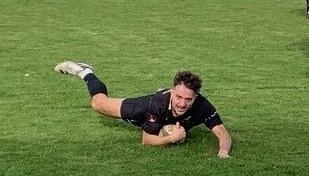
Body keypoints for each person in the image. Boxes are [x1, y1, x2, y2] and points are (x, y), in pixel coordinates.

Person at [54, 61, 232, 158]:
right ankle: (85, 71)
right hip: (142, 110)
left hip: (164, 116)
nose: (182, 104)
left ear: (195, 97)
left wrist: (223, 152)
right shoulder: (157, 104)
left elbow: (223, 133)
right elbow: (146, 140)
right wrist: (172, 137)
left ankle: (167, 126)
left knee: (168, 128)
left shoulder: (202, 106)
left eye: (188, 99)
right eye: (178, 97)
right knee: (98, 103)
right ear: (172, 91)